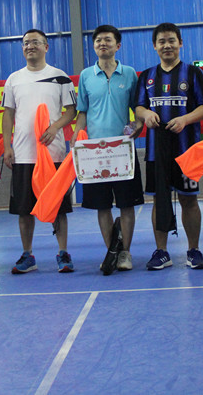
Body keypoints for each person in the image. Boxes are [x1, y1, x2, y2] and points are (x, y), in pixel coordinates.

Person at [135, 22, 203, 270]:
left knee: (189, 200)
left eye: (171, 40)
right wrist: (146, 114)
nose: (167, 45)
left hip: (187, 151)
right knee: (159, 200)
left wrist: (185, 119)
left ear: (180, 43)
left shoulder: (194, 74)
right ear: (154, 46)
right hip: (156, 152)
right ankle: (161, 252)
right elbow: (138, 107)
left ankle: (194, 250)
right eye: (162, 41)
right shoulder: (146, 76)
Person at [1, 29, 77, 273]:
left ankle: (63, 253)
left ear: (46, 46)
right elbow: (8, 115)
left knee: (58, 208)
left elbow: (71, 111)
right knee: (24, 209)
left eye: (35, 42)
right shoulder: (13, 79)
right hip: (23, 154)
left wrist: (54, 127)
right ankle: (27, 255)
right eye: (26, 43)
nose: (30, 46)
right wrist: (7, 146)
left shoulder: (60, 76)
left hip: (53, 154)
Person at [71, 25, 144, 274]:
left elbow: (137, 109)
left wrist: (138, 125)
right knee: (102, 206)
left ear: (118, 45)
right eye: (98, 40)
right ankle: (111, 252)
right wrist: (76, 135)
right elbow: (82, 112)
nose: (103, 43)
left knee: (127, 204)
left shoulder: (129, 74)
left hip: (123, 151)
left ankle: (125, 253)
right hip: (94, 153)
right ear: (93, 46)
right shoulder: (86, 76)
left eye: (108, 40)